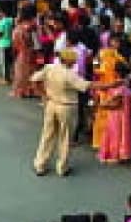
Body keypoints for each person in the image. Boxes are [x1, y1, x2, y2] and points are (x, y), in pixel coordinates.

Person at [31, 46, 90, 177]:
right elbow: (87, 86)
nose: (75, 62)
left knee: (47, 135)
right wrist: (113, 84)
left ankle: (40, 164)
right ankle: (62, 167)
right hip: (67, 107)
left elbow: (34, 79)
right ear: (68, 61)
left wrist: (43, 95)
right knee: (65, 137)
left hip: (51, 104)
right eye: (73, 60)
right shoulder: (70, 75)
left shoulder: (50, 68)